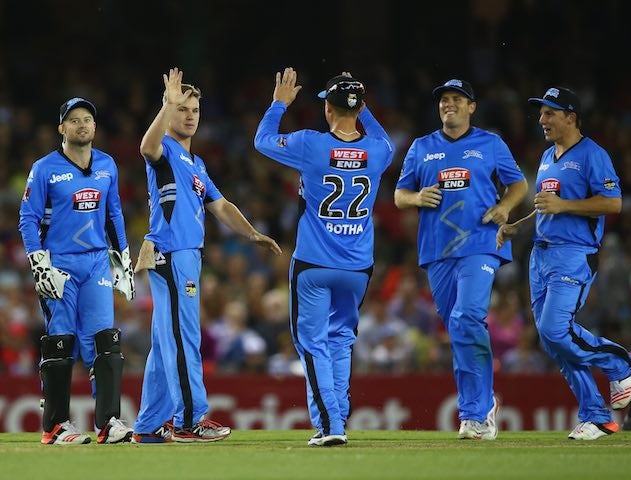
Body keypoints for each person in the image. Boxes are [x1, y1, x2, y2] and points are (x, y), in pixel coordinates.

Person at [132, 68, 282, 444]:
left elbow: (222, 205)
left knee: (166, 341)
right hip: (170, 252)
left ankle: (150, 425)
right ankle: (189, 421)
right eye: (183, 109)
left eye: (195, 109)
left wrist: (251, 233)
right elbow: (145, 148)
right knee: (184, 337)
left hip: (187, 256)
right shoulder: (164, 150)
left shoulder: (196, 165)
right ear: (170, 111)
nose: (190, 115)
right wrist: (166, 103)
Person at [254, 68, 395, 446]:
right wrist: (361, 108)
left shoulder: (311, 144)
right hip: (358, 266)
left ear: (328, 111)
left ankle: (330, 424)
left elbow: (262, 140)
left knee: (312, 343)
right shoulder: (377, 150)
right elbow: (383, 138)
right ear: (358, 108)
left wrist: (279, 103)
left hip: (315, 263)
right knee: (341, 339)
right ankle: (339, 419)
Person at [497, 86, 631, 440]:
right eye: (541, 113)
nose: (542, 119)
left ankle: (620, 362)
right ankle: (596, 416)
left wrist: (564, 207)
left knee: (555, 329)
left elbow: (613, 203)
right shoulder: (548, 156)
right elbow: (548, 204)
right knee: (551, 337)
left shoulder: (593, 154)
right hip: (541, 254)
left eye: (549, 113)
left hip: (574, 253)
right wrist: (519, 224)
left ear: (571, 117)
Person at [394, 79, 528, 440]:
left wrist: (504, 207)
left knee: (466, 317)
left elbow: (519, 185)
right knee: (461, 330)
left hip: (482, 244)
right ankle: (479, 409)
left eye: (457, 99)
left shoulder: (491, 144)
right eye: (444, 100)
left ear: (472, 107)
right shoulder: (422, 147)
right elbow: (399, 195)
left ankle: (476, 412)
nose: (448, 104)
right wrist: (418, 197)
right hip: (437, 250)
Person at [18, 97, 136, 445]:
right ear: (61, 128)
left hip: (97, 261)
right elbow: (27, 218)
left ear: (95, 127)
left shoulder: (107, 165)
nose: (82, 125)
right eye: (73, 120)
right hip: (60, 264)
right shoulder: (44, 168)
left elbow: (114, 213)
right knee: (61, 341)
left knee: (105, 340)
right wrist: (39, 263)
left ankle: (109, 423)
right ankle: (55, 426)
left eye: (87, 119)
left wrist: (122, 258)